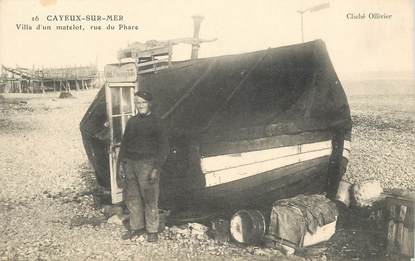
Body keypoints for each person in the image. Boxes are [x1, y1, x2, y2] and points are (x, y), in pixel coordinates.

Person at [117, 90, 169, 242]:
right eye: (138, 103)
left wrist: (156, 168)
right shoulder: (132, 122)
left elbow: (164, 147)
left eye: (143, 103)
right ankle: (137, 227)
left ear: (149, 104)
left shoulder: (157, 122)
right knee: (132, 198)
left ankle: (152, 230)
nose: (140, 106)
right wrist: (121, 163)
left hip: (147, 165)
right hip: (130, 164)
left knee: (150, 198)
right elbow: (125, 144)